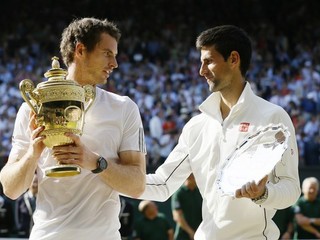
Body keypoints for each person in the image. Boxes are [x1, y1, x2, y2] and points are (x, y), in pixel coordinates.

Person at [135, 25, 301, 239]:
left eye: (208, 61)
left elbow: (291, 189)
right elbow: (163, 184)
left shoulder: (273, 117)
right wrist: (102, 171)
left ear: (233, 59)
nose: (201, 71)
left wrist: (263, 194)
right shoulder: (196, 127)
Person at [0, 17, 146, 240]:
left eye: (115, 56)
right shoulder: (34, 108)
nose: (114, 64)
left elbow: (137, 185)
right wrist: (33, 152)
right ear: (80, 50)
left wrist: (94, 162)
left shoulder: (124, 108)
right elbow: (11, 189)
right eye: (107, 53)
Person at [171, 174, 202, 240]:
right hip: (183, 235)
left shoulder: (200, 191)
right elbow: (177, 216)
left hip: (200, 233)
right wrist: (190, 232)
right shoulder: (179, 193)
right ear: (189, 177)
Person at [14, 173, 38, 238]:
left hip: (38, 233)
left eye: (36, 182)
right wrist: (20, 228)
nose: (35, 185)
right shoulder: (21, 199)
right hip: (24, 234)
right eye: (33, 182)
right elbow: (17, 216)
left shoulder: (42, 199)